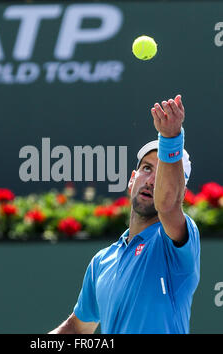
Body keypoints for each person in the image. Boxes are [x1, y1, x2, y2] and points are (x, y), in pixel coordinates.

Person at [48, 94, 200, 334]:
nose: (151, 181)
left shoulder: (177, 244)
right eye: (147, 169)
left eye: (161, 175)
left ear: (180, 190)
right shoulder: (101, 261)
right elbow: (77, 328)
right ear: (132, 180)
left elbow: (168, 205)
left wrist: (171, 138)